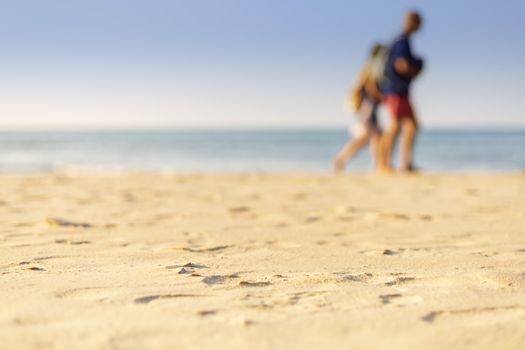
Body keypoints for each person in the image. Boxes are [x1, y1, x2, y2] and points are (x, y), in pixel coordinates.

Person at [380, 11, 424, 173]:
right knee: (395, 126)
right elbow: (401, 65)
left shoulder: (401, 41)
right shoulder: (402, 41)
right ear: (413, 23)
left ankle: (406, 163)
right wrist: (416, 69)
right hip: (396, 91)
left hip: (400, 91)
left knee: (412, 126)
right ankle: (384, 164)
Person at [334, 43, 387, 173]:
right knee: (372, 136)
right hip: (367, 108)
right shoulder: (371, 68)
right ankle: (342, 159)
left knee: (373, 136)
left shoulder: (370, 67)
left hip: (368, 108)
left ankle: (378, 164)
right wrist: (382, 98)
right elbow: (369, 87)